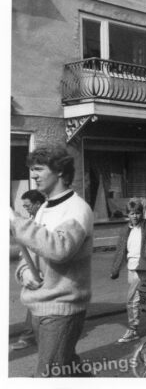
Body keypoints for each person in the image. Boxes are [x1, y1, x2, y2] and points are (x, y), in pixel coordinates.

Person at [10, 146, 94, 377]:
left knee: (48, 373)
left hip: (62, 308)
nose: (33, 175)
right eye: (31, 170)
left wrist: (17, 224)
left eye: (38, 169)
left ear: (59, 171)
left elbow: (59, 249)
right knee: (67, 367)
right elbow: (29, 250)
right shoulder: (44, 208)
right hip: (40, 305)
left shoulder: (77, 209)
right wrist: (25, 271)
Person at [110, 198, 146, 343]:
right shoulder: (126, 229)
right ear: (128, 215)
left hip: (141, 268)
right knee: (140, 299)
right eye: (132, 213)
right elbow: (120, 250)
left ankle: (133, 329)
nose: (135, 216)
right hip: (131, 268)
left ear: (142, 213)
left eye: (138, 213)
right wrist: (115, 269)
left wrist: (143, 267)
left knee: (132, 300)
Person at [10, 189, 45, 352]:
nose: (26, 209)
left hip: (45, 267)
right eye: (23, 206)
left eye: (28, 206)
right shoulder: (33, 217)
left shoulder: (46, 218)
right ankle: (33, 335)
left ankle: (29, 336)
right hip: (34, 266)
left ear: (38, 203)